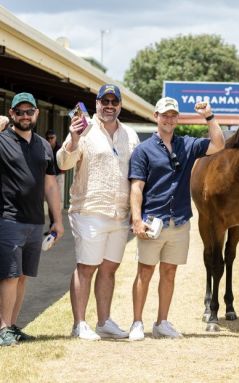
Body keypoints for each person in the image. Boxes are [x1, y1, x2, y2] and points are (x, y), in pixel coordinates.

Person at [127, 97, 224, 341]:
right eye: (164, 115)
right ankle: (137, 323)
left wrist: (209, 116)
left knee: (169, 272)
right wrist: (137, 220)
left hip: (179, 220)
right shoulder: (143, 150)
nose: (168, 119)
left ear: (177, 118)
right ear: (156, 117)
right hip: (152, 222)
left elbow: (219, 144)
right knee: (145, 272)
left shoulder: (188, 145)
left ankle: (162, 322)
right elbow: (136, 187)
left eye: (173, 115)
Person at [57, 84, 140, 341]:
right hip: (89, 210)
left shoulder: (131, 135)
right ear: (96, 104)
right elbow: (63, 163)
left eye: (114, 102)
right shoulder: (84, 129)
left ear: (120, 106)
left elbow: (138, 174)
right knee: (86, 267)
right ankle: (79, 324)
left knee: (109, 269)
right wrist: (73, 138)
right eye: (105, 101)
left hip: (119, 213)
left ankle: (104, 322)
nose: (109, 106)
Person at [0, 92, 63, 346]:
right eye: (20, 111)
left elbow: (50, 186)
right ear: (12, 114)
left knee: (23, 275)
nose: (25, 116)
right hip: (8, 219)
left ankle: (13, 326)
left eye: (30, 111)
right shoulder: (2, 141)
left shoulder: (43, 145)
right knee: (9, 276)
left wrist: (57, 220)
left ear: (36, 113)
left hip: (36, 222)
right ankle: (3, 327)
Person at [45, 129, 64, 233]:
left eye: (51, 138)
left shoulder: (60, 148)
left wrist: (62, 171)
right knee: (49, 202)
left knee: (57, 201)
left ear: (55, 138)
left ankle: (57, 224)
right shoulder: (44, 147)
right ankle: (52, 225)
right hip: (48, 176)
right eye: (47, 138)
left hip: (58, 175)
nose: (49, 140)